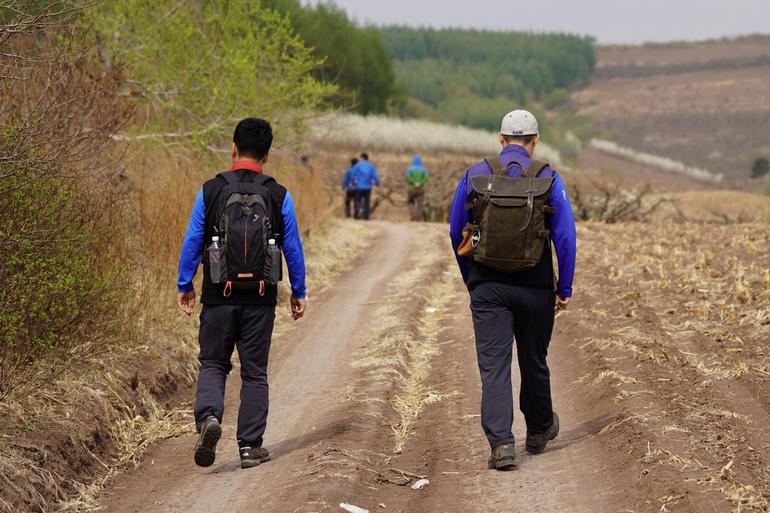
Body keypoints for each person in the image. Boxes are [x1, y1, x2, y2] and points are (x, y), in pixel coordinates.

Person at [448, 109, 576, 470]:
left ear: (500, 139)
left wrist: (471, 277)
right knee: (533, 359)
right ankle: (538, 431)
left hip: (487, 286)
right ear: (535, 141)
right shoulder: (549, 177)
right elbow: (565, 237)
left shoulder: (474, 175)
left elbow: (457, 229)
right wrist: (562, 286)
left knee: (494, 368)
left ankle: (502, 445)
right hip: (536, 289)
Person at [177, 117, 307, 470]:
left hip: (218, 296)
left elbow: (192, 240)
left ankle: (208, 420)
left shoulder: (211, 190)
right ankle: (250, 447)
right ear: (266, 155)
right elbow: (292, 247)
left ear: (232, 149)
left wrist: (184, 284)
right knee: (254, 373)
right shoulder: (279, 194)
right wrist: (299, 290)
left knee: (214, 364)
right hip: (261, 298)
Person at [351, 152, 380, 220]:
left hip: (359, 186)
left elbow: (353, 175)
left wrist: (353, 184)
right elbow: (375, 176)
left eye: (360, 158)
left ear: (361, 158)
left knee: (357, 199)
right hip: (368, 187)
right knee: (367, 202)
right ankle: (366, 217)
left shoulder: (357, 165)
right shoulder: (371, 166)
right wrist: (377, 184)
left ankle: (360, 208)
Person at [406, 154, 429, 221]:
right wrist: (420, 183)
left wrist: (414, 182)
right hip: (421, 189)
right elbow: (426, 177)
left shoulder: (410, 169)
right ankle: (418, 219)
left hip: (411, 188)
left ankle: (413, 213)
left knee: (410, 201)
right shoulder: (424, 169)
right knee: (420, 204)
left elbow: (408, 176)